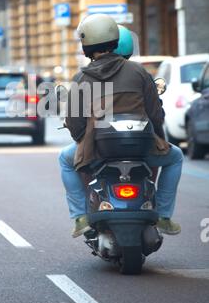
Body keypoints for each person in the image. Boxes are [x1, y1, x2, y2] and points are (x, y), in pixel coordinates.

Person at [59, 14, 183, 238]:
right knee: (176, 157)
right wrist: (158, 139)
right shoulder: (138, 71)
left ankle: (80, 218)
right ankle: (163, 216)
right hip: (141, 149)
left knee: (65, 160)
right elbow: (155, 115)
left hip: (100, 151)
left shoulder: (81, 78)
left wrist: (83, 140)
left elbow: (76, 125)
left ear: (87, 44)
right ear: (114, 39)